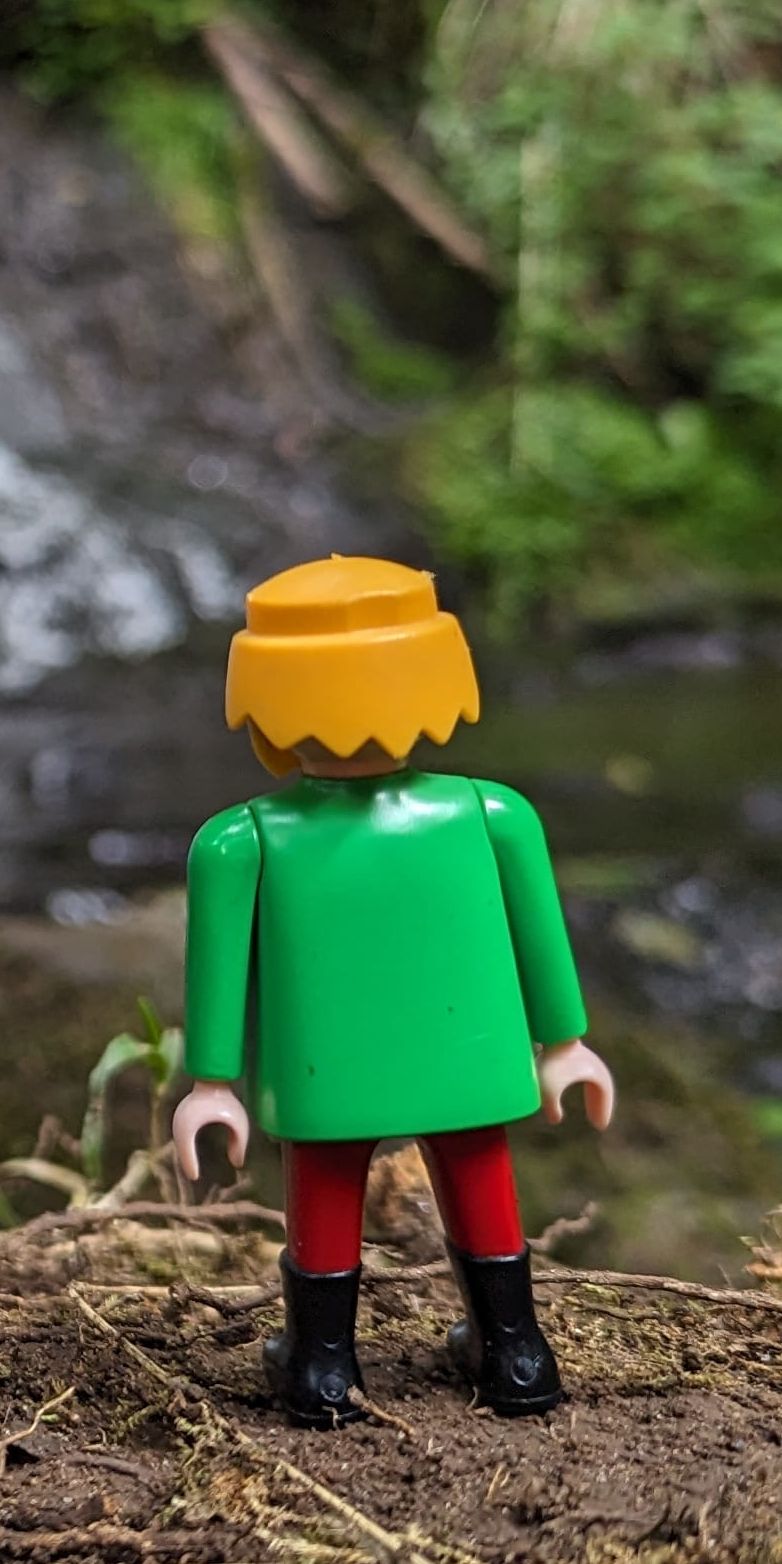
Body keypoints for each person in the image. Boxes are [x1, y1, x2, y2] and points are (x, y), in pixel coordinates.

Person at [167, 555, 615, 1426]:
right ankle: (517, 1354)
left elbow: (216, 970)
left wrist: (211, 1084)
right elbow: (541, 939)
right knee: (479, 1174)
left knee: (326, 1188)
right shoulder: (494, 814)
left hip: (329, 1066)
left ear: (260, 692)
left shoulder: (242, 840)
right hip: (468, 1057)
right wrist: (565, 1043)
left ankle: (322, 1372)